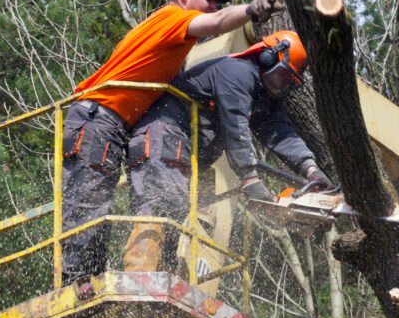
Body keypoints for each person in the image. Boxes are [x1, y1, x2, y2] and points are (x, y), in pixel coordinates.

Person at [61, 0, 282, 290]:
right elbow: (219, 24)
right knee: (88, 201)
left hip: (109, 123)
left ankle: (86, 281)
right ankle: (74, 284)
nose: (214, 7)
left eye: (219, 3)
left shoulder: (168, 43)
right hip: (97, 118)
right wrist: (251, 10)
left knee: (100, 204)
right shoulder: (171, 19)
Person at [122, 30, 333, 271]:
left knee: (174, 219)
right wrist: (250, 179)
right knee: (159, 208)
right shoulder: (237, 72)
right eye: (283, 77)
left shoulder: (260, 93)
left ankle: (159, 280)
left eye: (288, 83)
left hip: (181, 152)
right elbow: (236, 127)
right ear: (267, 57)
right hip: (162, 139)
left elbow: (280, 132)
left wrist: (311, 170)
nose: (281, 86)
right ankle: (139, 278)